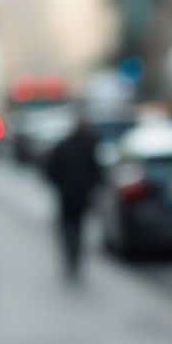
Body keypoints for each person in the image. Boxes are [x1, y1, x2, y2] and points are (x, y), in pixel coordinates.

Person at [43, 116, 103, 278]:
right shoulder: (89, 146)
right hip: (81, 195)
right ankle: (74, 258)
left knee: (68, 227)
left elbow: (50, 170)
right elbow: (97, 172)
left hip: (67, 195)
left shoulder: (64, 146)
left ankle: (71, 257)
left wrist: (59, 185)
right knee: (78, 227)